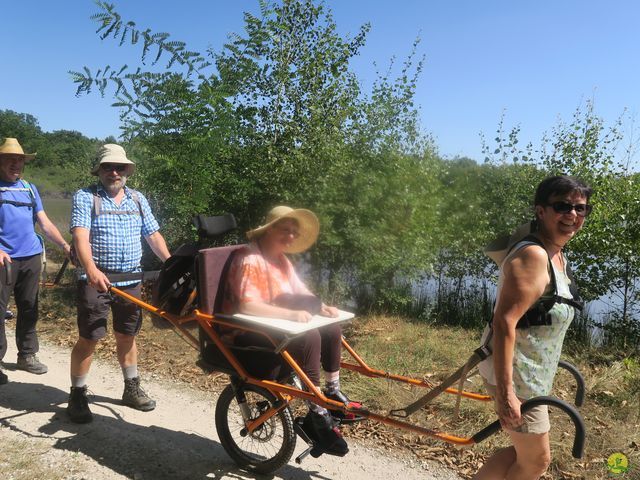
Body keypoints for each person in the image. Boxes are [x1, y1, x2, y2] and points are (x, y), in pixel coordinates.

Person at [473, 175, 592, 480]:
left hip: (531, 374)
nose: (573, 215)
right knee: (536, 460)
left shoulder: (556, 253)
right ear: (541, 211)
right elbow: (504, 323)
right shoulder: (534, 255)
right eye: (562, 206)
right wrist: (506, 393)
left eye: (580, 208)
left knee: (523, 454)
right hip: (517, 377)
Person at [223, 205, 355, 457]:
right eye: (286, 230)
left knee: (331, 327)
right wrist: (291, 314)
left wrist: (322, 306)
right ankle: (317, 412)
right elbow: (247, 305)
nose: (291, 236)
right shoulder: (250, 259)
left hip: (272, 327)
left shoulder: (281, 260)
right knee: (309, 336)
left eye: (295, 232)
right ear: (269, 230)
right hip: (248, 330)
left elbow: (299, 291)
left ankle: (330, 390)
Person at [67, 144, 171, 423]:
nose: (114, 172)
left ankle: (131, 388)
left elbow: (154, 235)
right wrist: (90, 269)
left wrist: (171, 265)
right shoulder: (85, 196)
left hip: (131, 279)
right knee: (90, 338)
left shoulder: (137, 199)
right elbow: (80, 236)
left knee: (127, 335)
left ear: (127, 171)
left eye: (120, 167)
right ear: (99, 170)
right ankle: (77, 395)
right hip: (96, 278)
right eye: (107, 167)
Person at [0, 137, 71, 384]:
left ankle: (27, 355)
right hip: (3, 260)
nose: (15, 164)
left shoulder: (29, 189)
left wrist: (64, 245)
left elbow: (44, 222)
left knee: (30, 307)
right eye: (10, 160)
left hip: (30, 256)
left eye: (19, 160)